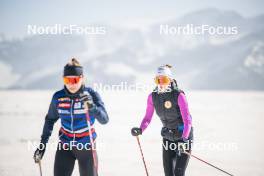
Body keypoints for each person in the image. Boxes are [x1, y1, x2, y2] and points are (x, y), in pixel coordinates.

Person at [33, 58, 109, 176]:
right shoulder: (58, 97)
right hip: (65, 146)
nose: (70, 84)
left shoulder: (91, 95)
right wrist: (42, 146)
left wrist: (92, 107)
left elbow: (104, 120)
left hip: (86, 147)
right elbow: (50, 120)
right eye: (66, 80)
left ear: (82, 78)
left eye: (74, 80)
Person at [131, 65, 193, 176]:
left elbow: (187, 121)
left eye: (163, 79)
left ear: (170, 80)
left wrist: (184, 139)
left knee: (178, 173)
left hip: (183, 135)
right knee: (168, 173)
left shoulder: (179, 95)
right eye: (157, 80)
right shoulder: (152, 97)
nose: (160, 83)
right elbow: (147, 118)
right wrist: (140, 129)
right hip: (168, 136)